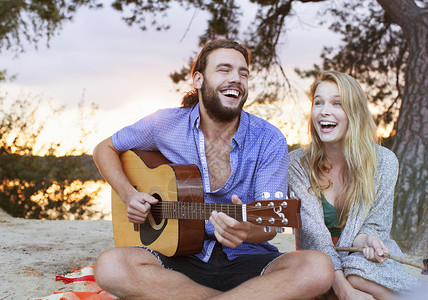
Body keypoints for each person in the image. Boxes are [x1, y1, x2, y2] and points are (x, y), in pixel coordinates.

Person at [93, 39, 334, 299]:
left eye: (243, 73)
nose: (236, 79)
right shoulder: (165, 123)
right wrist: (128, 194)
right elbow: (104, 149)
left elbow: (269, 226)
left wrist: (247, 230)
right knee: (111, 265)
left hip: (247, 259)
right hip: (178, 258)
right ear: (198, 80)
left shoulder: (269, 139)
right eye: (224, 70)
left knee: (317, 267)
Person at [288, 71, 420, 299]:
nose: (324, 111)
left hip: (362, 263)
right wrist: (346, 291)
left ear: (355, 112)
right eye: (318, 102)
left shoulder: (384, 162)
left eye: (337, 103)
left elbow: (376, 226)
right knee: (345, 277)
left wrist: (369, 239)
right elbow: (315, 238)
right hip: (317, 264)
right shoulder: (297, 164)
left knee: (359, 272)